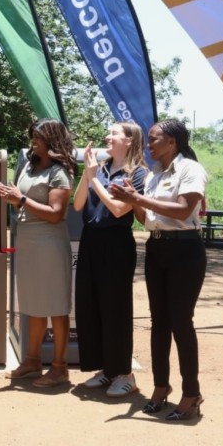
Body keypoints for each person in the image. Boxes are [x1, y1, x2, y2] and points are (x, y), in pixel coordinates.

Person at [109, 118, 208, 421]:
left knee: (181, 321)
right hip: (157, 247)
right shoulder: (154, 174)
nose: (149, 144)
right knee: (159, 323)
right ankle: (161, 387)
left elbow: (183, 209)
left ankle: (191, 393)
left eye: (154, 139)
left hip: (185, 250)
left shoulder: (191, 169)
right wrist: (132, 198)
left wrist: (137, 197)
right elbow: (146, 219)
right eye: (149, 139)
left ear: (172, 142)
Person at [0, 118, 75, 388]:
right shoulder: (29, 165)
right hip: (28, 242)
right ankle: (31, 361)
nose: (33, 140)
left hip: (49, 244)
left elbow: (56, 215)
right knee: (33, 303)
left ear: (52, 139)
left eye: (39, 136)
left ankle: (60, 367)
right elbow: (22, 201)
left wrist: (20, 199)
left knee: (55, 305)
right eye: (33, 135)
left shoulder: (60, 172)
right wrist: (12, 195)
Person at [73, 121, 147, 397]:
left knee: (115, 309)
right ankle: (106, 369)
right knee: (90, 305)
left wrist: (93, 179)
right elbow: (78, 204)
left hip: (116, 244)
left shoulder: (139, 174)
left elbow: (118, 210)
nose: (108, 136)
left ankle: (125, 374)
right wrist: (87, 173)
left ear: (129, 141)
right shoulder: (100, 169)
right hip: (91, 240)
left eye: (114, 133)